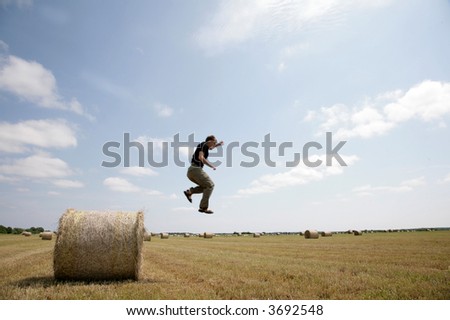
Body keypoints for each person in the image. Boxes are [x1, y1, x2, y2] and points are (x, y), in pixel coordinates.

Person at [184, 135, 223, 214]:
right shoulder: (204, 145)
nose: (214, 143)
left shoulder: (204, 146)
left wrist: (218, 145)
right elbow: (201, 157)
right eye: (214, 141)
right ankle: (203, 207)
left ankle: (190, 192)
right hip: (196, 170)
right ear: (209, 141)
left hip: (191, 172)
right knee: (210, 185)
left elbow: (211, 147)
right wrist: (211, 165)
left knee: (205, 187)